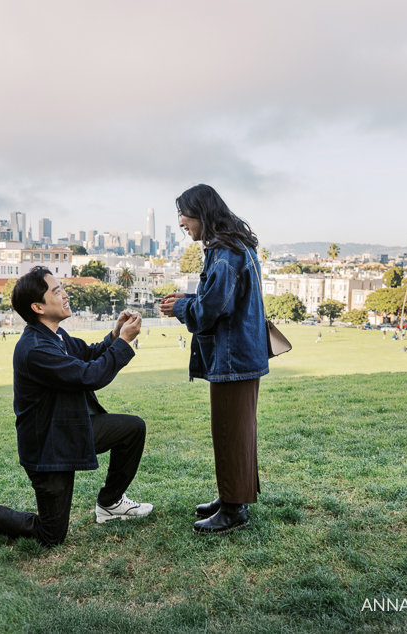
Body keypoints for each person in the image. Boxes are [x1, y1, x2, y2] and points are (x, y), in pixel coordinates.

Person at [0, 266, 153, 546]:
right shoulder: (36, 348)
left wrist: (114, 335)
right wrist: (124, 342)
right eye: (57, 291)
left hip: (71, 429)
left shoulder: (55, 335)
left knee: (132, 429)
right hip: (48, 445)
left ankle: (110, 503)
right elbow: (89, 376)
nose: (65, 295)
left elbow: (88, 354)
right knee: (51, 535)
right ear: (38, 307)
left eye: (62, 289)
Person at [159, 184, 269, 535]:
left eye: (184, 215)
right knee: (236, 431)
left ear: (202, 214)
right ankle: (231, 498)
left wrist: (181, 307)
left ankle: (234, 510)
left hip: (233, 358)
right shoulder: (234, 246)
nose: (181, 222)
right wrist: (188, 298)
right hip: (241, 355)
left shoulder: (223, 253)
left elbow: (209, 312)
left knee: (229, 432)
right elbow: (220, 298)